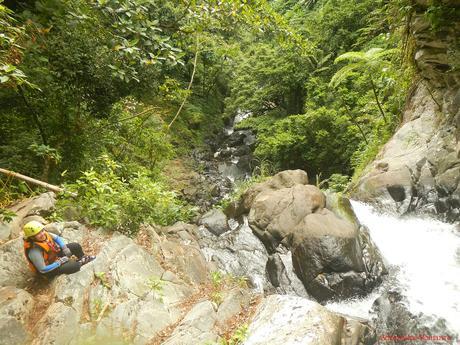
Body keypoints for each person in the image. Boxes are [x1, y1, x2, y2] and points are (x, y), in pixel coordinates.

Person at [23, 220, 95, 278]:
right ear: (32, 237)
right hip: (48, 269)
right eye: (38, 234)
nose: (42, 234)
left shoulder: (44, 234)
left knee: (75, 246)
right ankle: (80, 263)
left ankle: (82, 258)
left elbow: (57, 238)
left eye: (42, 230)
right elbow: (43, 269)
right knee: (74, 266)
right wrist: (59, 262)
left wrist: (64, 248)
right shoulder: (34, 250)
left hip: (54, 256)